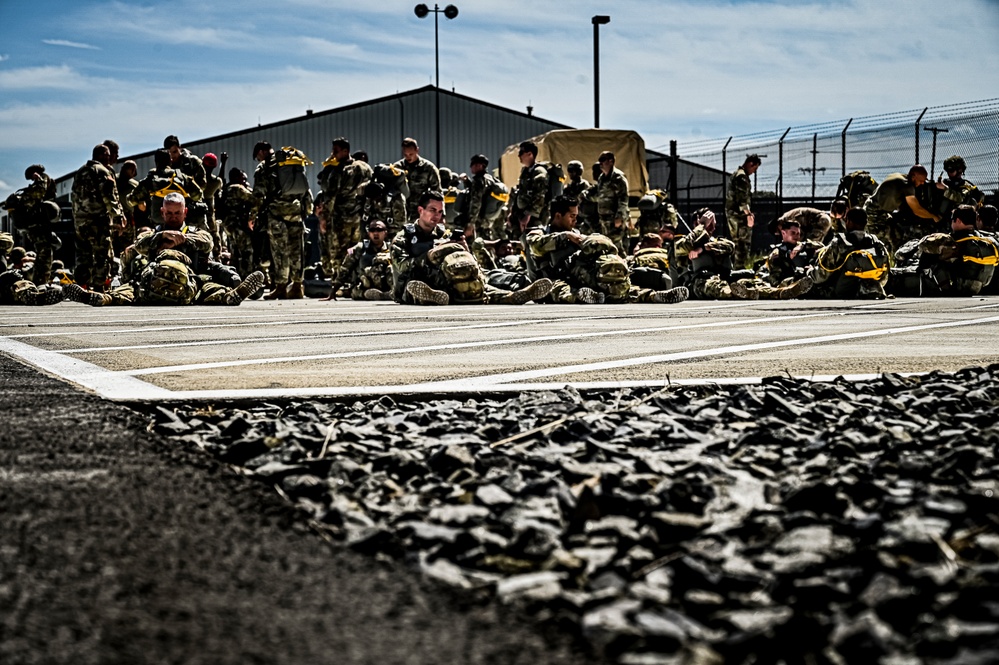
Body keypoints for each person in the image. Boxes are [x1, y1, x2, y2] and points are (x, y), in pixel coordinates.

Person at [64, 193, 264, 307]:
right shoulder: (152, 233)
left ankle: (232, 296)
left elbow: (208, 242)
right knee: (129, 290)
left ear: (185, 212)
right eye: (169, 213)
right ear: (162, 212)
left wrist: (182, 239)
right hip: (152, 281)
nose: (174, 217)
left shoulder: (195, 232)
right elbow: (138, 245)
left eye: (178, 213)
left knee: (209, 288)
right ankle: (101, 297)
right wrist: (161, 237)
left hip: (190, 280)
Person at [676, 208, 812, 300]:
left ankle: (780, 292)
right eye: (709, 223)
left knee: (751, 282)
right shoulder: (684, 242)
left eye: (713, 223)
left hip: (726, 276)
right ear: (697, 223)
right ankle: (734, 294)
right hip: (700, 282)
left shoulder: (717, 241)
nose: (712, 226)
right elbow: (682, 247)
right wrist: (702, 226)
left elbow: (730, 246)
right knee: (715, 286)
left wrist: (704, 249)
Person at [888, 205, 998, 298]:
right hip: (975, 288)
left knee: (892, 275)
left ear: (958, 221)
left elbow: (923, 264)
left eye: (952, 220)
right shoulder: (985, 240)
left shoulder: (947, 240)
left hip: (949, 288)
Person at [253, 141, 311, 300]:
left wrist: (253, 216)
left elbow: (258, 193)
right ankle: (298, 287)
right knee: (297, 250)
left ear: (261, 152)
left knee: (280, 251)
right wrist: (306, 210)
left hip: (277, 213)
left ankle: (281, 287)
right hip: (296, 212)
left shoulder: (265, 166)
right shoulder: (293, 161)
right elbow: (306, 190)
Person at [71, 144, 126, 291]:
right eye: (108, 155)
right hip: (98, 221)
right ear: (103, 156)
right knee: (102, 255)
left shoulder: (80, 172)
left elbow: (74, 197)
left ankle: (82, 286)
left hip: (80, 221)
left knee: (83, 255)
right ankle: (99, 287)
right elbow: (109, 196)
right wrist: (118, 217)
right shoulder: (102, 171)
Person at [320, 137, 373, 281]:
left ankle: (341, 281)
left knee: (340, 252)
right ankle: (356, 279)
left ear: (345, 151)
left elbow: (330, 197)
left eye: (336, 151)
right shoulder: (365, 168)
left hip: (341, 219)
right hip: (361, 217)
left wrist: (324, 218)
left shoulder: (338, 171)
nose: (333, 154)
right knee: (357, 249)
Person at [810, 207, 890, 299]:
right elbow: (885, 274)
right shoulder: (876, 243)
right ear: (866, 222)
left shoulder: (840, 243)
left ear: (849, 221)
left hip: (841, 292)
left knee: (806, 281)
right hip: (871, 289)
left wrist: (809, 271)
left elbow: (820, 276)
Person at [2, 164, 60, 285]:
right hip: (37, 226)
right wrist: (39, 180)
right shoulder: (33, 190)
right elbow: (38, 193)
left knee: (45, 254)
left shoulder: (36, 188)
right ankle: (40, 282)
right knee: (44, 255)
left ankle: (41, 281)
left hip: (37, 226)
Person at [862, 164, 939, 253]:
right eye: (921, 180)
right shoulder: (907, 185)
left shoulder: (899, 177)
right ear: (913, 176)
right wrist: (934, 217)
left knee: (896, 236)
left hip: (878, 210)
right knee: (879, 242)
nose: (922, 183)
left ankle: (895, 261)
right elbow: (918, 210)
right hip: (874, 214)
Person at [128, 149, 204, 228]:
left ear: (156, 162)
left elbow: (131, 201)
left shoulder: (150, 179)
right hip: (181, 223)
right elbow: (198, 195)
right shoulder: (181, 177)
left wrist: (143, 199)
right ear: (170, 161)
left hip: (158, 225)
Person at [326, 219, 393, 301]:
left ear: (385, 233)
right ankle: (372, 294)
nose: (375, 233)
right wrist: (334, 290)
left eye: (379, 230)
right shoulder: (360, 248)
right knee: (356, 291)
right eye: (372, 230)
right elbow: (345, 269)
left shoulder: (392, 249)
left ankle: (390, 293)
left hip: (386, 283)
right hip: (363, 286)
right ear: (368, 233)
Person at [219, 168, 259, 283]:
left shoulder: (226, 189)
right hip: (238, 226)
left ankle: (236, 278)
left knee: (235, 253)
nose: (245, 181)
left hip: (229, 226)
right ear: (236, 178)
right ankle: (247, 278)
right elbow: (255, 199)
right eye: (243, 178)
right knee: (247, 251)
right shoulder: (237, 188)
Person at [762, 219, 823, 287]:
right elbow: (775, 282)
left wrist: (803, 245)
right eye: (793, 233)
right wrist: (800, 275)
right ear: (783, 233)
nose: (797, 236)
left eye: (798, 234)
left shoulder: (803, 246)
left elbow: (823, 247)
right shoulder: (777, 252)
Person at [725, 153, 761, 269]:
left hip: (733, 216)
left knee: (737, 245)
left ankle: (736, 271)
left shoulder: (735, 174)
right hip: (739, 217)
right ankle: (739, 274)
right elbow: (742, 200)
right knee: (742, 247)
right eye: (754, 168)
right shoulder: (742, 177)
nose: (754, 172)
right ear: (751, 164)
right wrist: (748, 215)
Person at [394, 137, 440, 222]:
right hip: (400, 212)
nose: (408, 157)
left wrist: (440, 214)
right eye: (405, 154)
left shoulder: (428, 168)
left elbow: (437, 192)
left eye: (411, 154)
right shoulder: (397, 168)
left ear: (417, 150)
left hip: (420, 213)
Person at [464, 154, 509, 241]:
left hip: (480, 221)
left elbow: (476, 202)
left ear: (480, 166)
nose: (471, 167)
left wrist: (471, 223)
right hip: (491, 220)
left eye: (473, 164)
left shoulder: (478, 180)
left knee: (479, 245)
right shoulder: (492, 179)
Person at [594, 151, 631, 252]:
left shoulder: (618, 178)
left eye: (602, 160)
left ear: (611, 161)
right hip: (604, 219)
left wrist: (619, 217)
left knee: (618, 247)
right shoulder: (602, 178)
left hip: (614, 219)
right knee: (607, 246)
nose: (600, 163)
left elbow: (623, 199)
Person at [512, 140, 549, 236]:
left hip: (534, 218)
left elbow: (540, 195)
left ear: (530, 154)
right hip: (523, 215)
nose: (519, 156)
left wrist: (528, 215)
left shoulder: (539, 171)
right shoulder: (526, 171)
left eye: (521, 153)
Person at [202, 152, 225, 255]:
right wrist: (223, 164)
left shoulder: (196, 181)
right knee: (215, 243)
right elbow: (220, 179)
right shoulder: (216, 182)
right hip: (210, 218)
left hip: (197, 218)